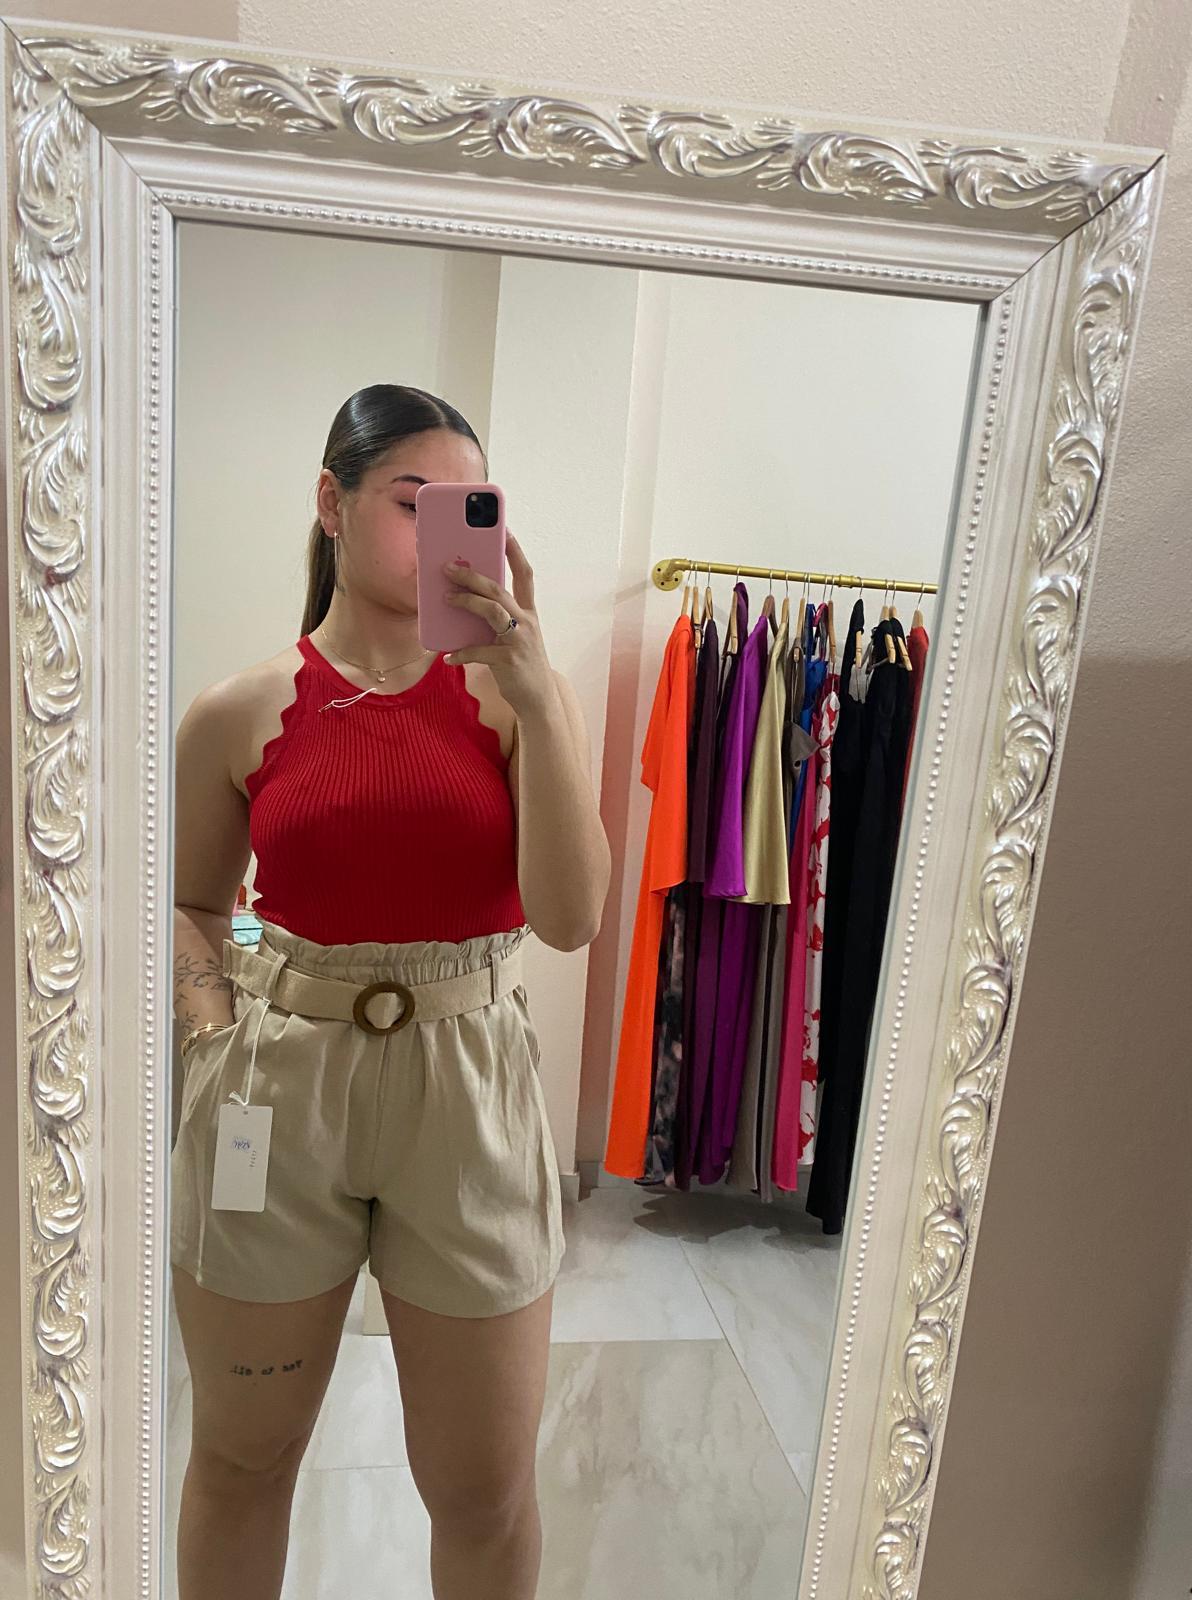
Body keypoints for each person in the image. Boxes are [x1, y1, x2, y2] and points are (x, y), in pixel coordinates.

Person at [169, 382, 610, 1600]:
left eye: (467, 509)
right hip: (278, 1079)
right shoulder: (239, 709)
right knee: (243, 1458)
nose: (440, 537)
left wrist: (538, 693)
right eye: (413, 504)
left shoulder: (516, 700)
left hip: (466, 1079)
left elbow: (571, 918)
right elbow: (193, 902)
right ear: (333, 502)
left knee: (483, 1490)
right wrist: (213, 1035)